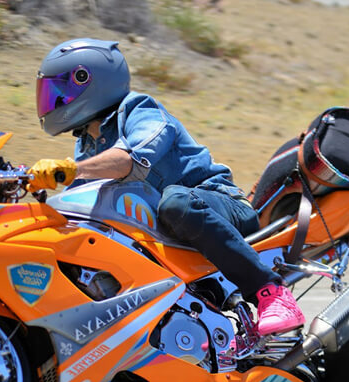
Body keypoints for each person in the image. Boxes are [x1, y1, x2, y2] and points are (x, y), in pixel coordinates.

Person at [27, 38, 304, 337]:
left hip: (221, 207)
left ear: (90, 82)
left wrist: (70, 170)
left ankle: (271, 292)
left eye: (59, 91)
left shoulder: (140, 110)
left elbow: (130, 160)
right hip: (165, 234)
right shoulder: (87, 144)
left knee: (175, 203)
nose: (52, 101)